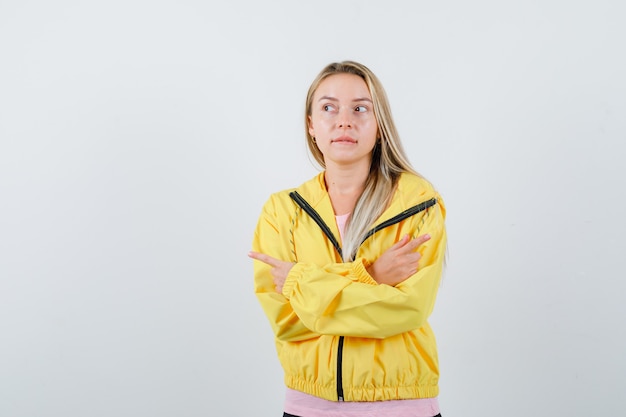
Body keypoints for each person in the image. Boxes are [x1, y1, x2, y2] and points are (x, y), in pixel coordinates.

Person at [249, 61, 447, 417]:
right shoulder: (282, 211)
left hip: (402, 406)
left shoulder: (417, 202)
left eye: (360, 108)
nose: (344, 121)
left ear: (379, 126)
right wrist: (370, 276)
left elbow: (407, 308)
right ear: (311, 125)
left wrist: (303, 283)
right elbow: (288, 321)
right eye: (328, 108)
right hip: (308, 405)